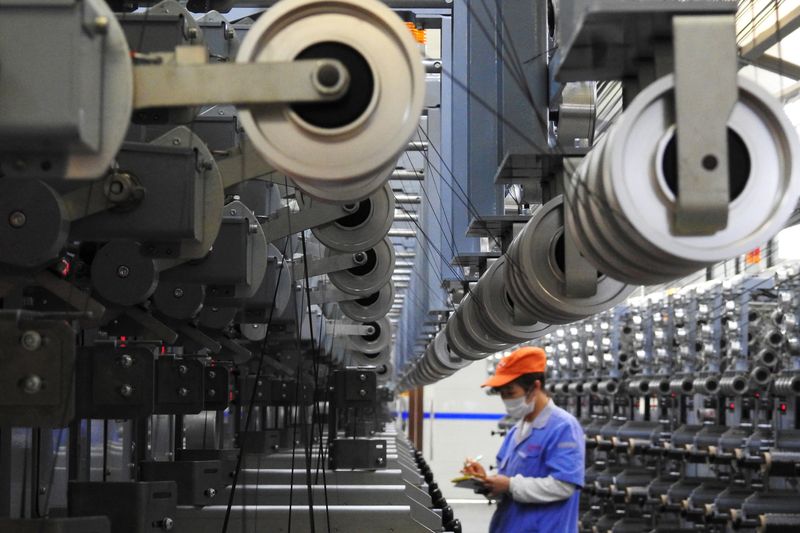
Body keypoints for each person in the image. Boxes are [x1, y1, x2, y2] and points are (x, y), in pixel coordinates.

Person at [463, 346, 585, 533]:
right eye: (502, 394)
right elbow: (510, 488)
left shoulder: (563, 427)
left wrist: (510, 485)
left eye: (510, 393)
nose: (506, 400)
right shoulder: (516, 431)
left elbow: (563, 486)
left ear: (535, 387)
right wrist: (486, 481)